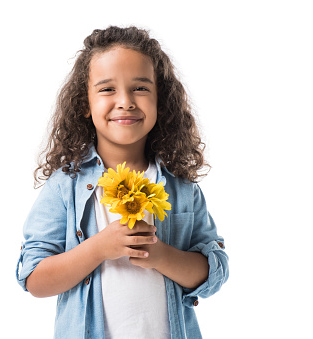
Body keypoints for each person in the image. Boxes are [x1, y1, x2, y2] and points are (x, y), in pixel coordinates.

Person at [16, 26, 229, 339]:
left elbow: (213, 272)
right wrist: (98, 248)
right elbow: (34, 278)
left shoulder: (182, 189)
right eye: (107, 89)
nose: (126, 101)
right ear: (85, 104)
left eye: (140, 88)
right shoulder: (66, 185)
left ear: (161, 102)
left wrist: (160, 255)